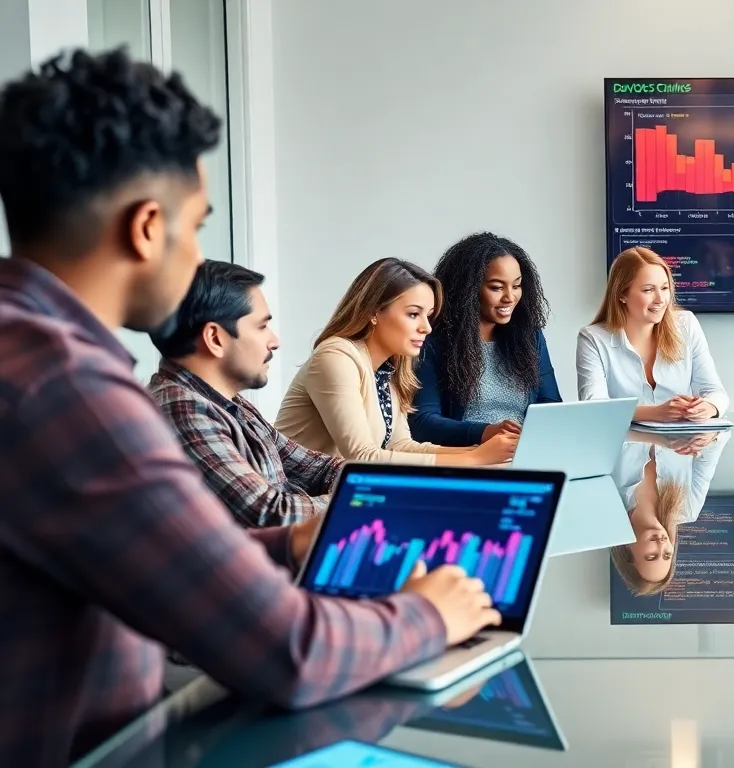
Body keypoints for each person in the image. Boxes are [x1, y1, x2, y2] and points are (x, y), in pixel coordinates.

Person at [0, 48, 501, 764]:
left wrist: (294, 543)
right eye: (197, 224)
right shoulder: (70, 391)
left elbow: (156, 563)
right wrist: (429, 615)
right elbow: (288, 652)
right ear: (147, 228)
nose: (197, 253)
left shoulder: (28, 353)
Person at [148, 260, 340, 528]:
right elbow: (268, 514)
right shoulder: (183, 408)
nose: (274, 341)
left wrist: (366, 486)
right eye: (262, 327)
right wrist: (358, 500)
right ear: (215, 339)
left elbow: (316, 468)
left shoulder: (231, 403)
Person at [275, 258, 516, 466]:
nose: (426, 327)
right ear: (374, 312)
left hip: (337, 491)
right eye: (413, 314)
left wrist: (485, 453)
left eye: (428, 315)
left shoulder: (388, 370)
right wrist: (474, 459)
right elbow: (361, 457)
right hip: (296, 495)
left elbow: (401, 446)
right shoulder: (336, 357)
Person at [409, 232, 561, 447]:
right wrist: (486, 432)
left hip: (522, 453)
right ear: (468, 290)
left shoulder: (529, 337)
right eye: (497, 287)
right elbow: (423, 422)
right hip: (467, 456)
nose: (510, 297)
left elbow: (550, 404)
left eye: (516, 285)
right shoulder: (432, 342)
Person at [577, 247, 729, 422]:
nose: (660, 299)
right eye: (648, 290)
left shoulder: (686, 324)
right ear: (621, 294)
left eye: (664, 288)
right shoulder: (593, 338)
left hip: (680, 446)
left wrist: (709, 407)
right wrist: (655, 413)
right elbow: (593, 407)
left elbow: (715, 391)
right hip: (622, 446)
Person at [610, 429, 731, 595]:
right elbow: (718, 441)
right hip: (677, 408)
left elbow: (597, 433)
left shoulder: (607, 504)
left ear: (626, 551)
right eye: (667, 555)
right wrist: (710, 437)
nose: (661, 545)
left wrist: (656, 437)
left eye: (651, 556)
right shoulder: (688, 508)